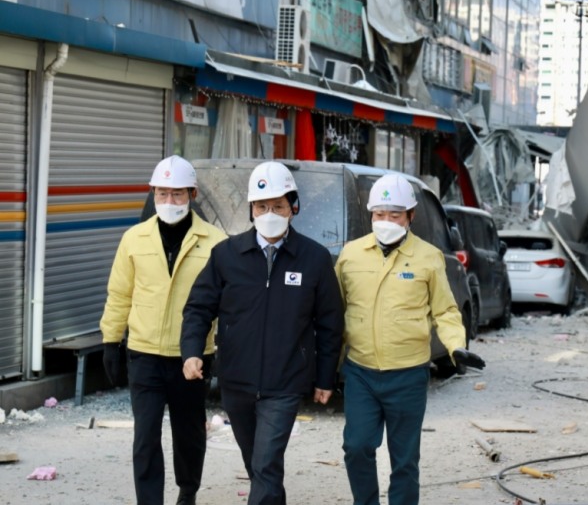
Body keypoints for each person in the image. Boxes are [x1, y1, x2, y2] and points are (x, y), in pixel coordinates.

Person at [181, 161, 344, 505]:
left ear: (293, 208)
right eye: (262, 206)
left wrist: (325, 378)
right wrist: (192, 351)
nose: (270, 213)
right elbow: (199, 307)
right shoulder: (226, 255)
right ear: (251, 210)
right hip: (236, 380)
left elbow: (330, 323)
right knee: (257, 464)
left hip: (285, 382)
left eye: (278, 206)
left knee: (266, 462)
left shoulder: (314, 259)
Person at [334, 173, 486, 505]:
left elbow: (445, 311)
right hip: (361, 372)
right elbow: (336, 312)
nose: (385, 221)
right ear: (370, 215)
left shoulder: (428, 258)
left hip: (409, 375)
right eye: (379, 214)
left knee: (404, 460)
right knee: (356, 447)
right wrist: (325, 366)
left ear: (411, 216)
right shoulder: (350, 255)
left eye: (395, 214)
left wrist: (455, 345)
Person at [100, 155, 227, 505]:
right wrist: (111, 340)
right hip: (144, 353)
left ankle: (188, 492)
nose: (169, 202)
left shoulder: (216, 242)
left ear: (192, 194)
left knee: (188, 433)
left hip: (192, 357)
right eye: (162, 194)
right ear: (152, 194)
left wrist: (223, 347)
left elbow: (225, 302)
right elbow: (119, 293)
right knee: (145, 436)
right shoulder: (134, 239)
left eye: (177, 195)